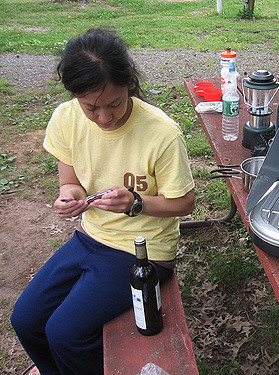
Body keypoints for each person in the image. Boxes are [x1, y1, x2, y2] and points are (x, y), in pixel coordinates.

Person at [10, 28, 195, 375]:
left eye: (114, 104)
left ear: (129, 84)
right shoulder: (66, 118)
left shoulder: (161, 133)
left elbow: (184, 203)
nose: (104, 117)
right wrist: (70, 197)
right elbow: (71, 183)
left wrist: (136, 202)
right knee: (25, 320)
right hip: (90, 236)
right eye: (90, 107)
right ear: (76, 97)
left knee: (65, 334)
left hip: (144, 250)